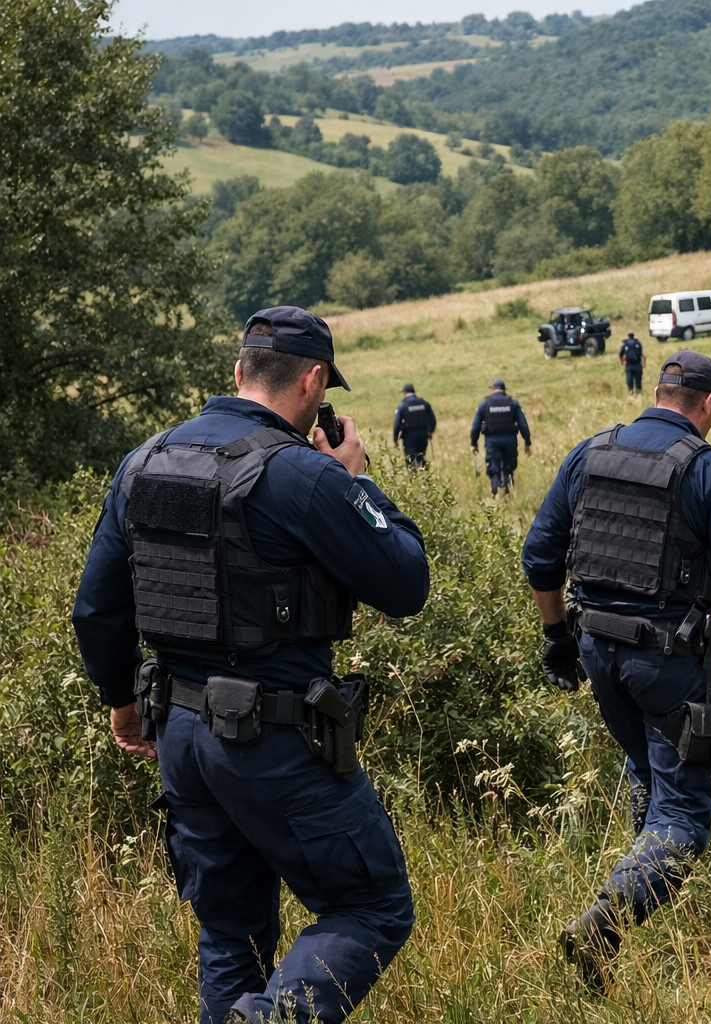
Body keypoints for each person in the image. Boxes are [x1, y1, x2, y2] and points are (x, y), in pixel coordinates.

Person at [71, 306, 429, 1024]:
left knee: (230, 933)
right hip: (273, 738)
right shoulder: (303, 475)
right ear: (314, 382)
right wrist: (355, 480)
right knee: (372, 905)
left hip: (179, 734)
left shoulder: (144, 461)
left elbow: (96, 608)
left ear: (239, 372)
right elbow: (405, 582)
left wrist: (122, 703)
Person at [520, 350, 711, 993]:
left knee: (646, 769)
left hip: (596, 652)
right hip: (665, 661)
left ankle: (626, 926)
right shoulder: (708, 470)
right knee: (683, 817)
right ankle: (607, 923)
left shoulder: (589, 454)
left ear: (659, 393)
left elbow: (540, 555)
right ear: (709, 404)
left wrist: (556, 638)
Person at [470, 378, 531, 496]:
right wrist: (527, 442)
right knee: (509, 466)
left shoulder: (485, 404)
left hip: (492, 441)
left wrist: (474, 443)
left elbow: (476, 426)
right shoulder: (513, 403)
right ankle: (508, 491)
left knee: (494, 467)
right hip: (510, 440)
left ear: (493, 389)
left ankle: (496, 491)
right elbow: (523, 425)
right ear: (504, 390)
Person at [392, 383, 436, 469]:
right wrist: (430, 431)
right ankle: (424, 471)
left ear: (404, 392)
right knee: (421, 454)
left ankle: (415, 475)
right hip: (423, 434)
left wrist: (395, 439)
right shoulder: (424, 403)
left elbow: (397, 424)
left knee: (411, 458)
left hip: (409, 435)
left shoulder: (403, 405)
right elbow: (432, 419)